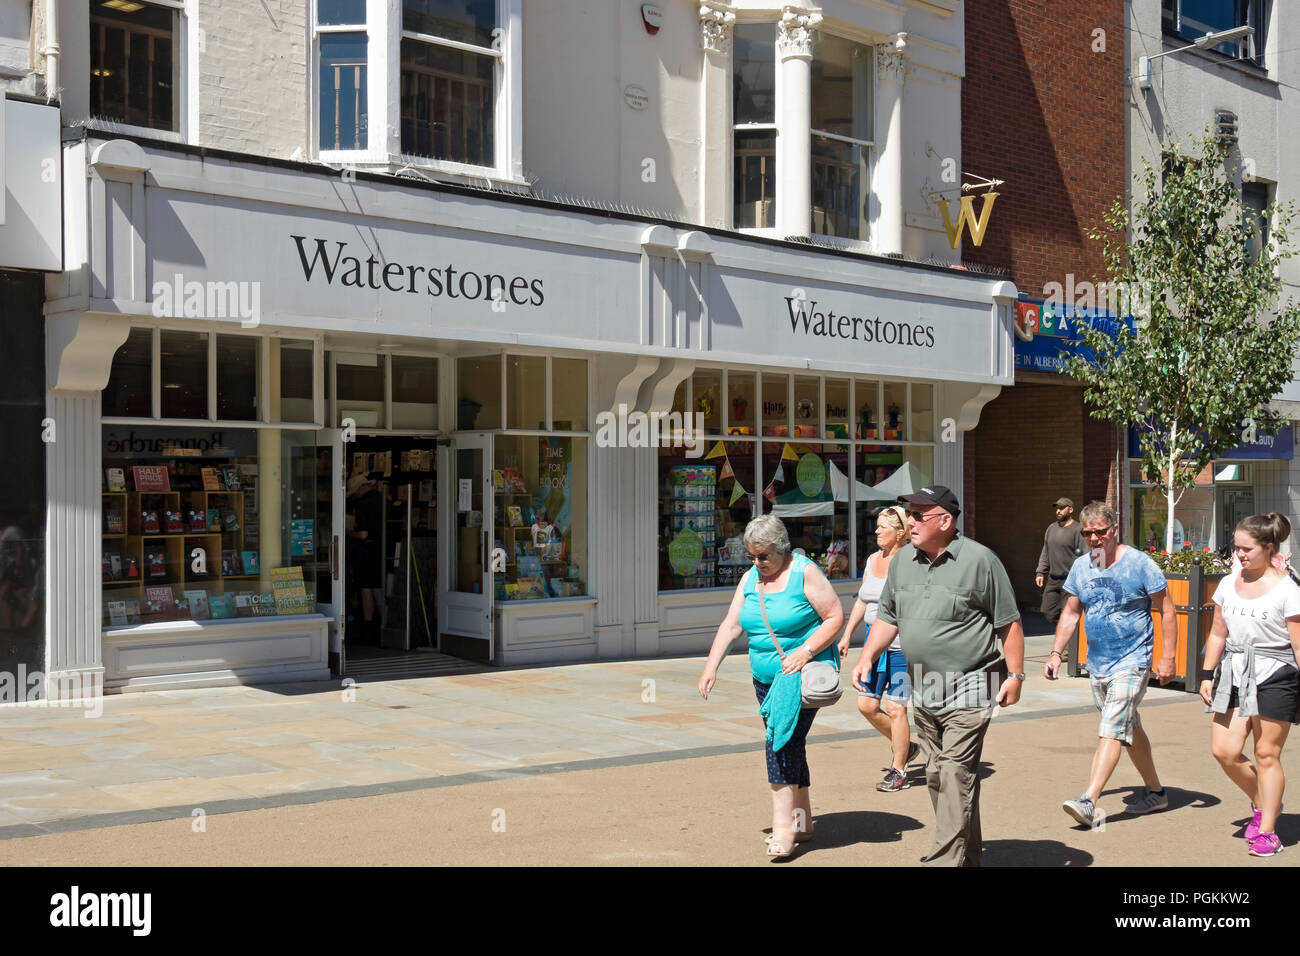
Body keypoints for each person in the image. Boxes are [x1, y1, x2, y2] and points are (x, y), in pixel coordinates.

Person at [850, 485, 1024, 867]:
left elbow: (1008, 623)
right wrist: (868, 656)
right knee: (936, 776)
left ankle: (946, 860)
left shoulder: (981, 561)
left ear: (944, 521)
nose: (909, 521)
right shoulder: (902, 562)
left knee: (955, 773)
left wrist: (1015, 675)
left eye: (918, 515)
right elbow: (888, 617)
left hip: (975, 683)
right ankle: (970, 857)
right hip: (924, 687)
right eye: (909, 514)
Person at [698, 515, 844, 859]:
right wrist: (710, 666)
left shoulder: (804, 571)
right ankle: (803, 822)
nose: (757, 562)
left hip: (798, 677)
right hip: (764, 679)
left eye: (763, 556)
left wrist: (805, 652)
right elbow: (732, 625)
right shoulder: (751, 578)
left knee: (779, 744)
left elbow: (835, 616)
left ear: (782, 549)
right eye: (751, 556)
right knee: (792, 743)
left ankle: (783, 830)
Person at [1045, 501, 1177, 828]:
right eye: (1088, 533)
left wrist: (1168, 657)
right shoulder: (1082, 567)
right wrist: (1054, 653)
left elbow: (1168, 610)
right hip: (1099, 663)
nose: (1094, 538)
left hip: (1133, 659)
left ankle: (1089, 800)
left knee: (1111, 727)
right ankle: (1157, 792)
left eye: (1100, 532)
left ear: (1114, 529)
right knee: (1127, 727)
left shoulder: (1139, 564)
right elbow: (1072, 612)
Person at [1200, 513, 1300, 858]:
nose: (1239, 555)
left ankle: (1268, 831)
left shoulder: (1288, 590)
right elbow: (1217, 633)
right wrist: (1206, 674)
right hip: (1234, 670)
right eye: (1236, 548)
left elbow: (1298, 645)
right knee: (1224, 750)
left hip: (1276, 673)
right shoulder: (1229, 583)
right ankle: (1263, 801)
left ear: (1268, 547)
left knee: (1266, 753)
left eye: (1246, 549)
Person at [837, 505, 918, 792]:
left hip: (901, 647)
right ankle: (906, 746)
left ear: (900, 532)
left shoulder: (909, 561)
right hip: (874, 646)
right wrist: (847, 635)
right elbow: (862, 600)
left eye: (882, 526)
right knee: (867, 705)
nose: (876, 531)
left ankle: (899, 769)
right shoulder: (872, 560)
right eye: (877, 526)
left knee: (896, 708)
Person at [1036, 497, 1086, 630]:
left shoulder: (1078, 529)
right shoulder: (1051, 528)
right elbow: (1045, 551)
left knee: (1068, 612)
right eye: (1057, 508)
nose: (1058, 511)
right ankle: (1066, 632)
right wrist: (1040, 571)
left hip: (1070, 580)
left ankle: (1069, 644)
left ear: (1071, 509)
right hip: (1053, 579)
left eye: (1062, 508)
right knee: (1048, 611)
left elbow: (1084, 555)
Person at [347, 473, 383, 645]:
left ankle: (368, 629)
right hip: (383, 549)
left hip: (367, 551)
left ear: (362, 487)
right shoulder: (384, 499)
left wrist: (348, 533)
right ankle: (384, 624)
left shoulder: (363, 504)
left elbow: (363, 534)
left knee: (366, 588)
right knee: (378, 587)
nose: (354, 496)